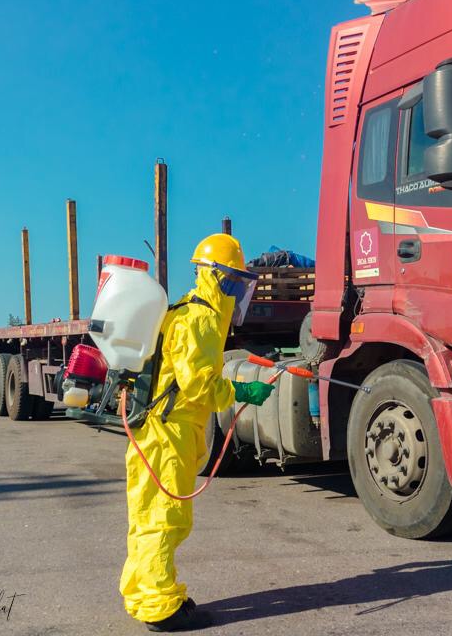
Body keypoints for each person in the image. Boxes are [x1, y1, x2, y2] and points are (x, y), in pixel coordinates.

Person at [120, 233, 274, 632]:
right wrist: (243, 391)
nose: (238, 291)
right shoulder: (201, 318)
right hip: (168, 434)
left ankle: (145, 593)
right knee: (166, 520)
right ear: (218, 277)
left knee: (148, 518)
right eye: (235, 281)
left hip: (156, 430)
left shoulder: (186, 310)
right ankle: (161, 608)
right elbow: (198, 385)